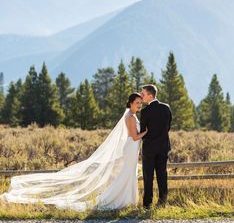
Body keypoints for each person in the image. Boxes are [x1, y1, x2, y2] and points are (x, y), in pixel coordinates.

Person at [0, 93, 147, 211]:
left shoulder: (131, 115)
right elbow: (134, 136)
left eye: (140, 103)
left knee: (129, 174)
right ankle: (115, 199)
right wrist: (146, 132)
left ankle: (127, 199)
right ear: (130, 103)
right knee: (126, 174)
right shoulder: (130, 117)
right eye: (137, 103)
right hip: (131, 146)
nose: (139, 105)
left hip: (132, 148)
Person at [140, 84, 172, 209]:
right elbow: (168, 126)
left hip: (149, 149)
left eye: (143, 94)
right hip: (163, 146)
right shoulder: (166, 108)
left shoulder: (145, 111)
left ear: (150, 95)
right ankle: (162, 202)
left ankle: (147, 204)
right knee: (162, 175)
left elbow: (143, 131)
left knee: (148, 177)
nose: (141, 96)